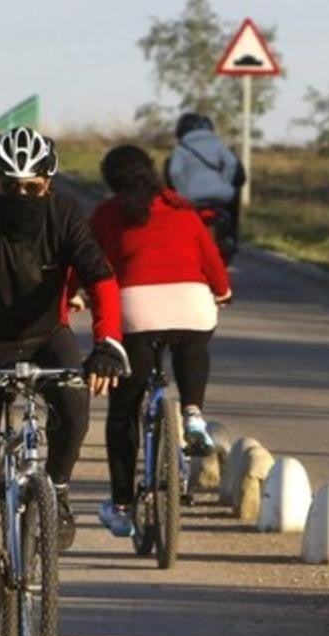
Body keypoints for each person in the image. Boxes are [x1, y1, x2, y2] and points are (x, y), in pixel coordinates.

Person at [0, 126, 128, 636]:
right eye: (7, 186)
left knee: (76, 405)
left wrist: (108, 343)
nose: (20, 196)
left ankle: (56, 488)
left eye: (32, 186)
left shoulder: (64, 214)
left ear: (48, 184)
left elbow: (101, 278)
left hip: (47, 336)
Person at [90, 144, 231, 538]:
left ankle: (120, 505)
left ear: (111, 182)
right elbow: (211, 259)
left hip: (136, 311)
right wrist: (221, 290)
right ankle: (192, 414)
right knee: (193, 343)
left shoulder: (107, 215)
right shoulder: (183, 210)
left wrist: (75, 295)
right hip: (192, 303)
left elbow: (88, 262)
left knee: (123, 411)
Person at [165, 112, 246, 261]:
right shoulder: (219, 145)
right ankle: (232, 237)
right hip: (220, 198)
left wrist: (182, 192)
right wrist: (225, 182)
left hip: (189, 200)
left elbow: (174, 173)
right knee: (234, 200)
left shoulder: (180, 150)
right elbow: (235, 168)